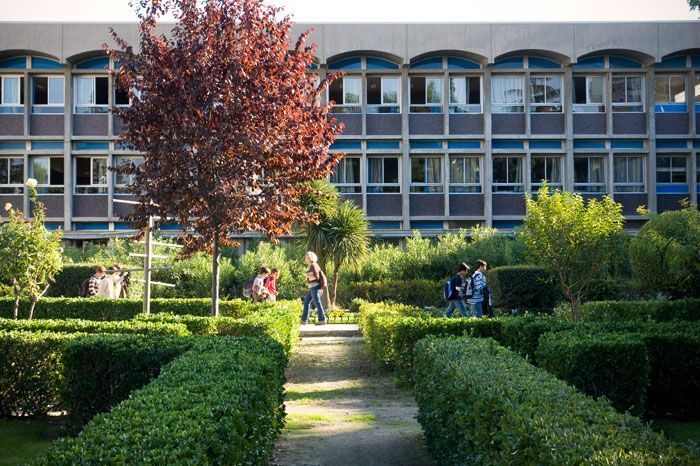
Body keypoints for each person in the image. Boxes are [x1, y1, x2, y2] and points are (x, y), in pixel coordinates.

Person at [301, 251, 326, 325]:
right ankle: (304, 320)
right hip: (312, 287)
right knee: (306, 302)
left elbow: (316, 277)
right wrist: (308, 274)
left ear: (309, 258)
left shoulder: (313, 265)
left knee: (317, 303)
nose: (305, 258)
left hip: (315, 287)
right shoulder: (312, 265)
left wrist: (307, 275)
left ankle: (322, 320)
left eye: (306, 257)